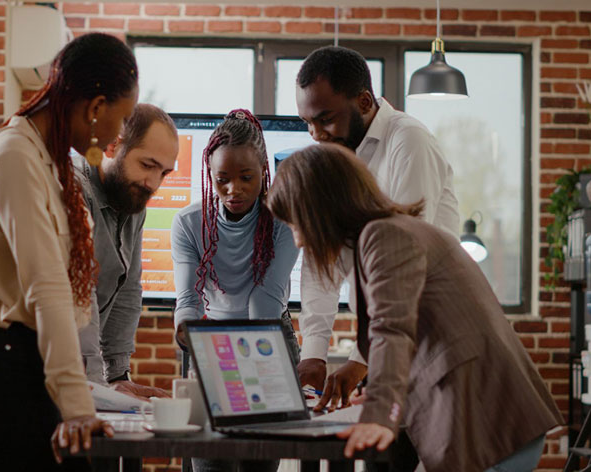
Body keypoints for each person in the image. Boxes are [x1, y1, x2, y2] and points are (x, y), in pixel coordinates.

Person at [267, 143, 563, 472]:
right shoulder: (395, 229)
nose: (298, 240)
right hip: (490, 418)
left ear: (320, 210)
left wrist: (381, 411)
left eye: (296, 225)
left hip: (487, 422)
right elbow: (428, 334)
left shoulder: (383, 236)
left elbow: (392, 330)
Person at [0, 33, 139, 471]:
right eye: (122, 119)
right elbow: (47, 289)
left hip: (19, 364)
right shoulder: (16, 156)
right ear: (96, 107)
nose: (121, 132)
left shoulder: (48, 158)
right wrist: (78, 408)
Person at [294, 45, 460, 413]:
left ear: (365, 101)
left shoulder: (409, 140)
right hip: (387, 341)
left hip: (433, 340)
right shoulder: (336, 156)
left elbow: (402, 263)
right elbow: (321, 263)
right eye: (307, 122)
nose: (315, 134)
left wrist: (360, 358)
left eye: (325, 119)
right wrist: (314, 354)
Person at [171, 109, 299, 472]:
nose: (234, 190)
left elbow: (265, 298)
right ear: (209, 176)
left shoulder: (284, 221)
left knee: (256, 461)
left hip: (271, 335)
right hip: (212, 339)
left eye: (247, 177)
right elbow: (188, 299)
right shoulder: (189, 223)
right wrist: (188, 331)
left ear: (264, 171)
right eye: (222, 179)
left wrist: (250, 367)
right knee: (209, 462)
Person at [76, 103, 178, 399]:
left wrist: (118, 375)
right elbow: (79, 294)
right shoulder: (73, 189)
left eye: (164, 172)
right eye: (147, 165)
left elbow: (128, 289)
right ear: (111, 145)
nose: (154, 184)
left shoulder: (132, 201)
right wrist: (95, 387)